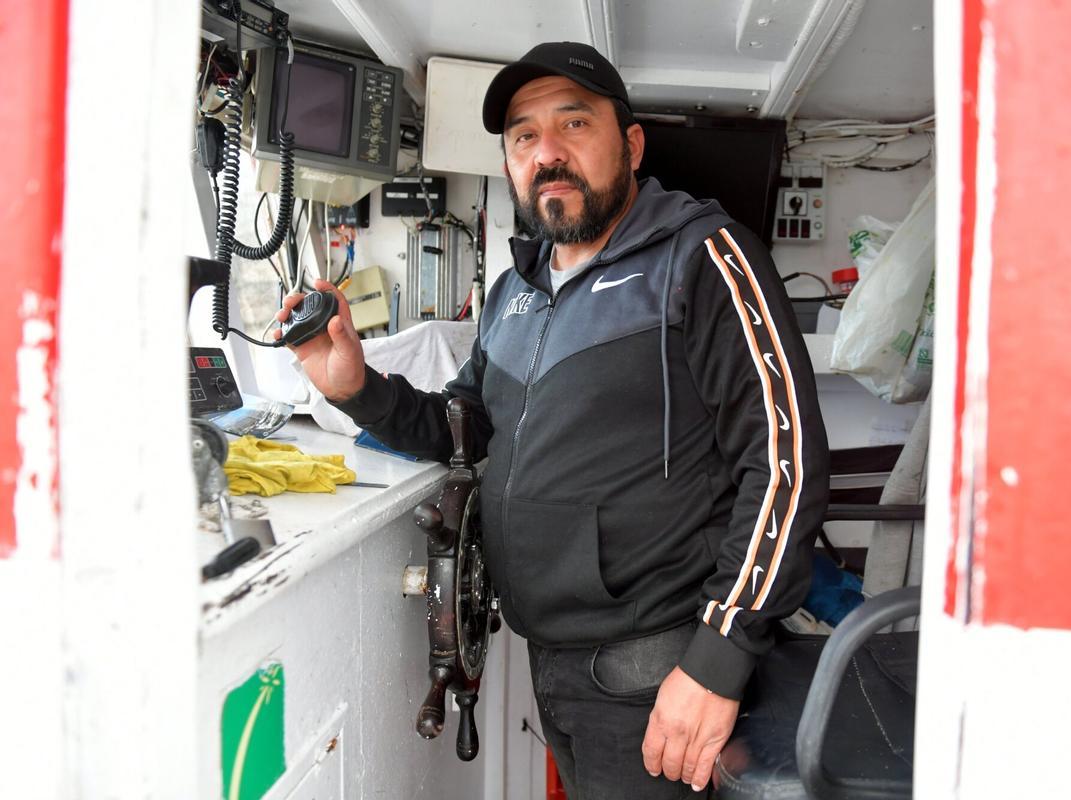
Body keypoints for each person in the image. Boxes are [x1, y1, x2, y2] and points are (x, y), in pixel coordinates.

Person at [278, 42, 829, 799]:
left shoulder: (705, 257)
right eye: (524, 137)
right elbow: (463, 427)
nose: (548, 154)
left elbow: (786, 462)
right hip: (552, 659)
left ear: (631, 144)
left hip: (658, 670)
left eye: (574, 124)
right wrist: (356, 387)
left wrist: (718, 660)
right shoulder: (515, 290)